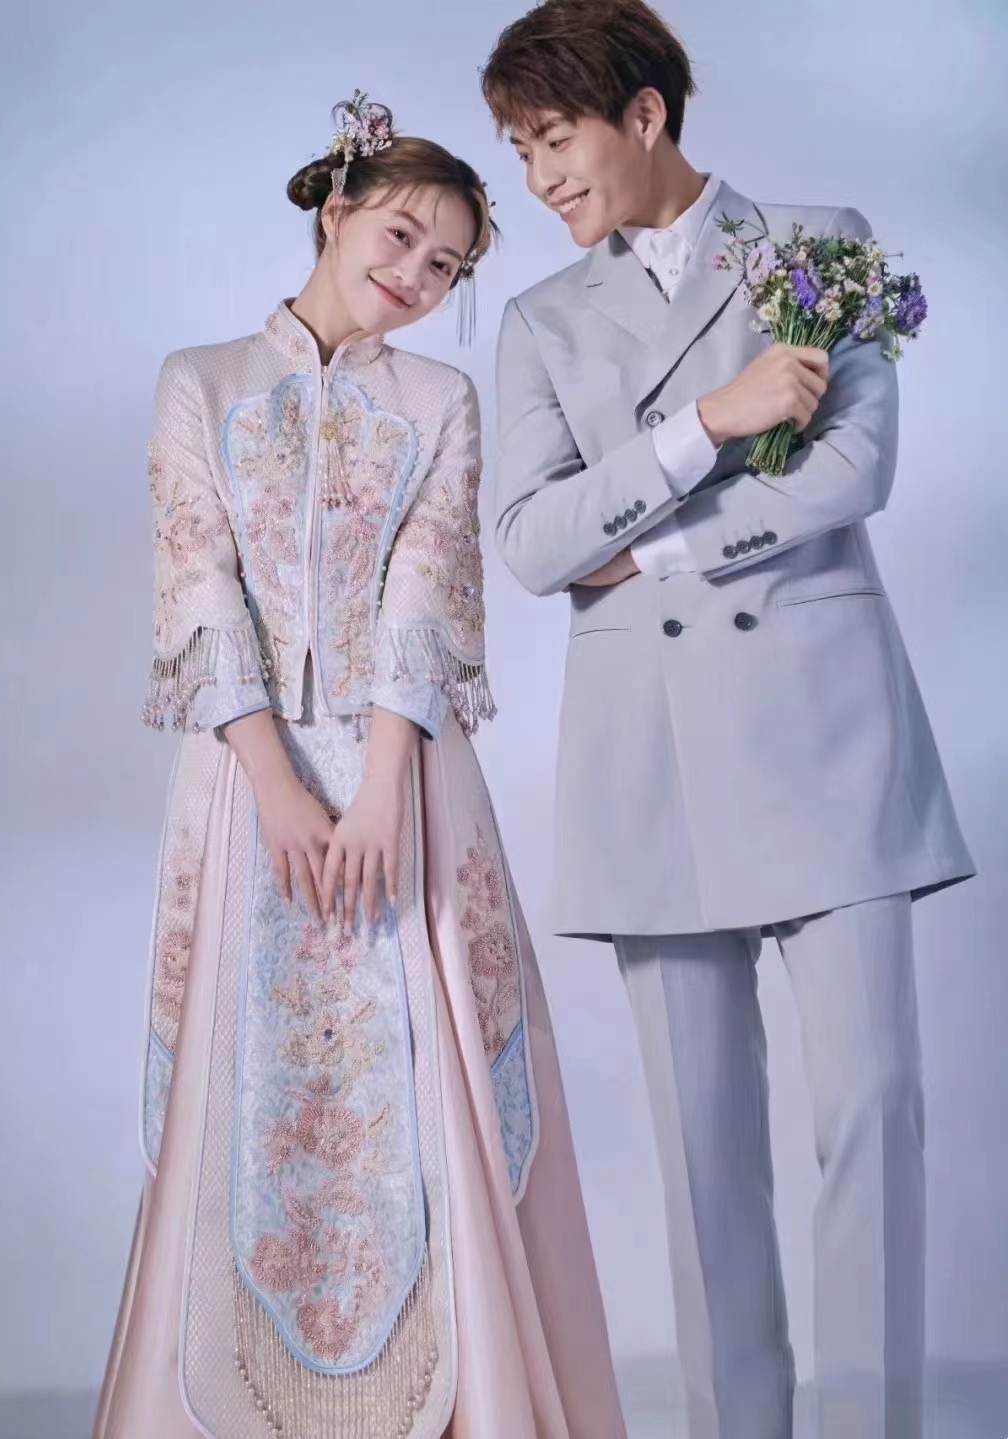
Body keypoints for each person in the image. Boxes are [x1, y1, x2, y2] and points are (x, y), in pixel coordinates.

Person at [93, 94, 627, 1439]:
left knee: (437, 1095)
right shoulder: (201, 382)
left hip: (412, 784)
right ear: (336, 214)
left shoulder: (441, 401)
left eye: (445, 266)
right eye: (399, 238)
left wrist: (385, 782)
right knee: (246, 1095)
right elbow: (198, 584)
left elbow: (428, 592)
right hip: (245, 783)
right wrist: (274, 784)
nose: (414, 277)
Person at [481, 4, 975, 1437]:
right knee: (705, 1162)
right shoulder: (540, 321)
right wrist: (709, 421)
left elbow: (854, 471)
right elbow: (532, 542)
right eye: (518, 151)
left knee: (872, 1114)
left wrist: (664, 549)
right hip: (652, 763)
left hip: (828, 735)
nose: (539, 180)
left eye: (554, 140)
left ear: (643, 115)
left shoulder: (816, 246)